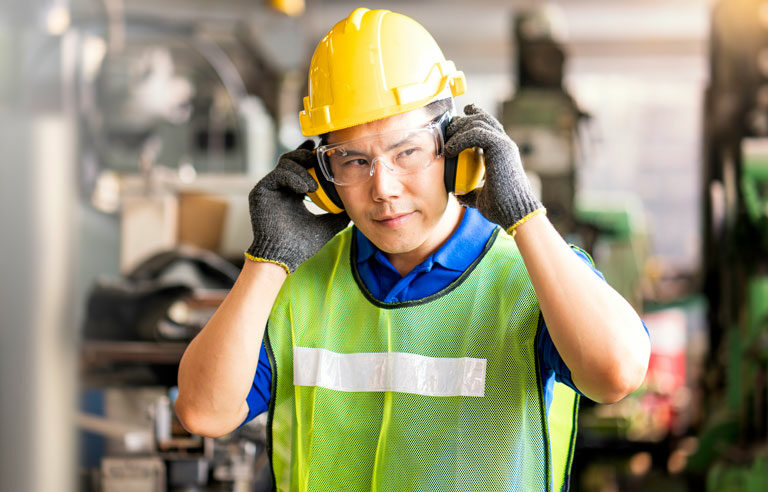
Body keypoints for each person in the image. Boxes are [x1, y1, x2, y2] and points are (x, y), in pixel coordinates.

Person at [175, 8, 650, 491]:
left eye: (407, 152)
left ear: (455, 149)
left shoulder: (533, 277)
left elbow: (615, 374)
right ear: (321, 176)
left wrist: (525, 216)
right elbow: (202, 411)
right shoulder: (296, 288)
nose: (383, 188)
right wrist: (265, 262)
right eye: (354, 160)